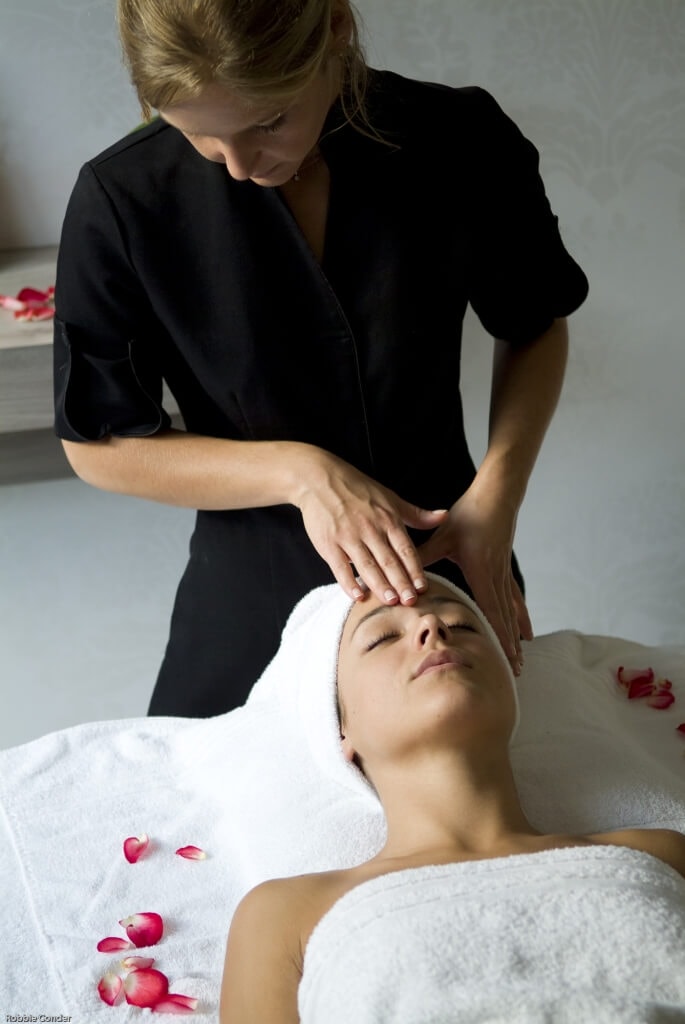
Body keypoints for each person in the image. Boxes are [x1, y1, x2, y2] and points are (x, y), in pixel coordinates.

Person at [53, 0, 589, 718]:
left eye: (267, 123)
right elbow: (100, 445)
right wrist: (301, 473)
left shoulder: (459, 139)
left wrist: (497, 496)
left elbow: (532, 324)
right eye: (198, 137)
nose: (239, 167)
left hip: (449, 573)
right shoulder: (122, 198)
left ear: (335, 27)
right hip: (249, 604)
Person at [219, 575, 685, 1022]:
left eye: (461, 625)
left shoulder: (658, 854)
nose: (431, 626)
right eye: (382, 636)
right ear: (339, 727)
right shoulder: (284, 915)